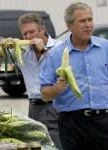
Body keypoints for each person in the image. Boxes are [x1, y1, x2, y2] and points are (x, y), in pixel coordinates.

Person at [39, 2, 108, 150]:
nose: (88, 25)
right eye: (82, 21)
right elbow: (44, 94)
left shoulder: (105, 48)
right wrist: (57, 88)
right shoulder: (55, 55)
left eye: (90, 20)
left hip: (104, 121)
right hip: (72, 124)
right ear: (69, 25)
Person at [0, 13, 62, 149]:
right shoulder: (22, 49)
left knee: (56, 144)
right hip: (33, 106)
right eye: (25, 34)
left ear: (42, 29)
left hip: (54, 105)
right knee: (37, 145)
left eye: (32, 32)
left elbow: (61, 68)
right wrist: (3, 45)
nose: (28, 37)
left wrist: (43, 51)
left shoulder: (59, 46)